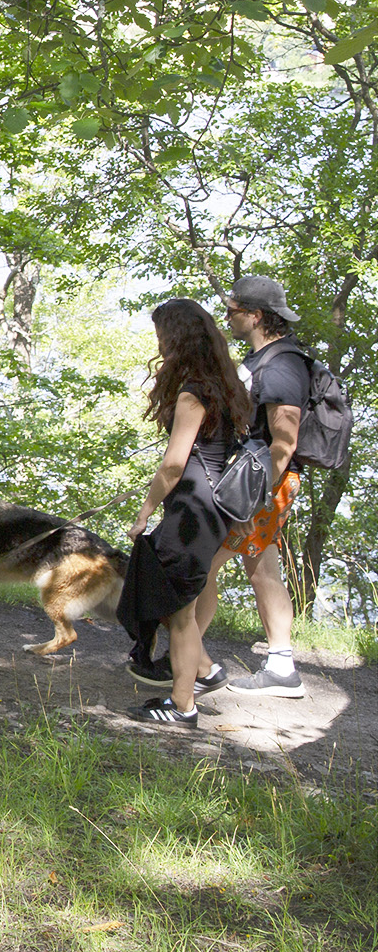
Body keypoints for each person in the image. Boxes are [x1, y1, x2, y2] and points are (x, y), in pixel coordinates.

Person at [119, 297, 252, 728]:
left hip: (192, 512)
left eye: (162, 335)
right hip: (215, 512)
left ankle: (182, 708)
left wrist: (144, 512)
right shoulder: (225, 387)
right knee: (184, 608)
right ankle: (188, 693)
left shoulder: (194, 392)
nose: (159, 344)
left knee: (180, 612)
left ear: (176, 337)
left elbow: (174, 464)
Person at [191, 276, 308, 697]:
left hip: (262, 484)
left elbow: (285, 441)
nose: (227, 317)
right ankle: (282, 666)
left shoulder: (282, 366)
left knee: (202, 564)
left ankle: (187, 660)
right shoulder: (264, 359)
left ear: (255, 315)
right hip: (258, 482)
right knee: (262, 569)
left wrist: (250, 504)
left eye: (233, 310)